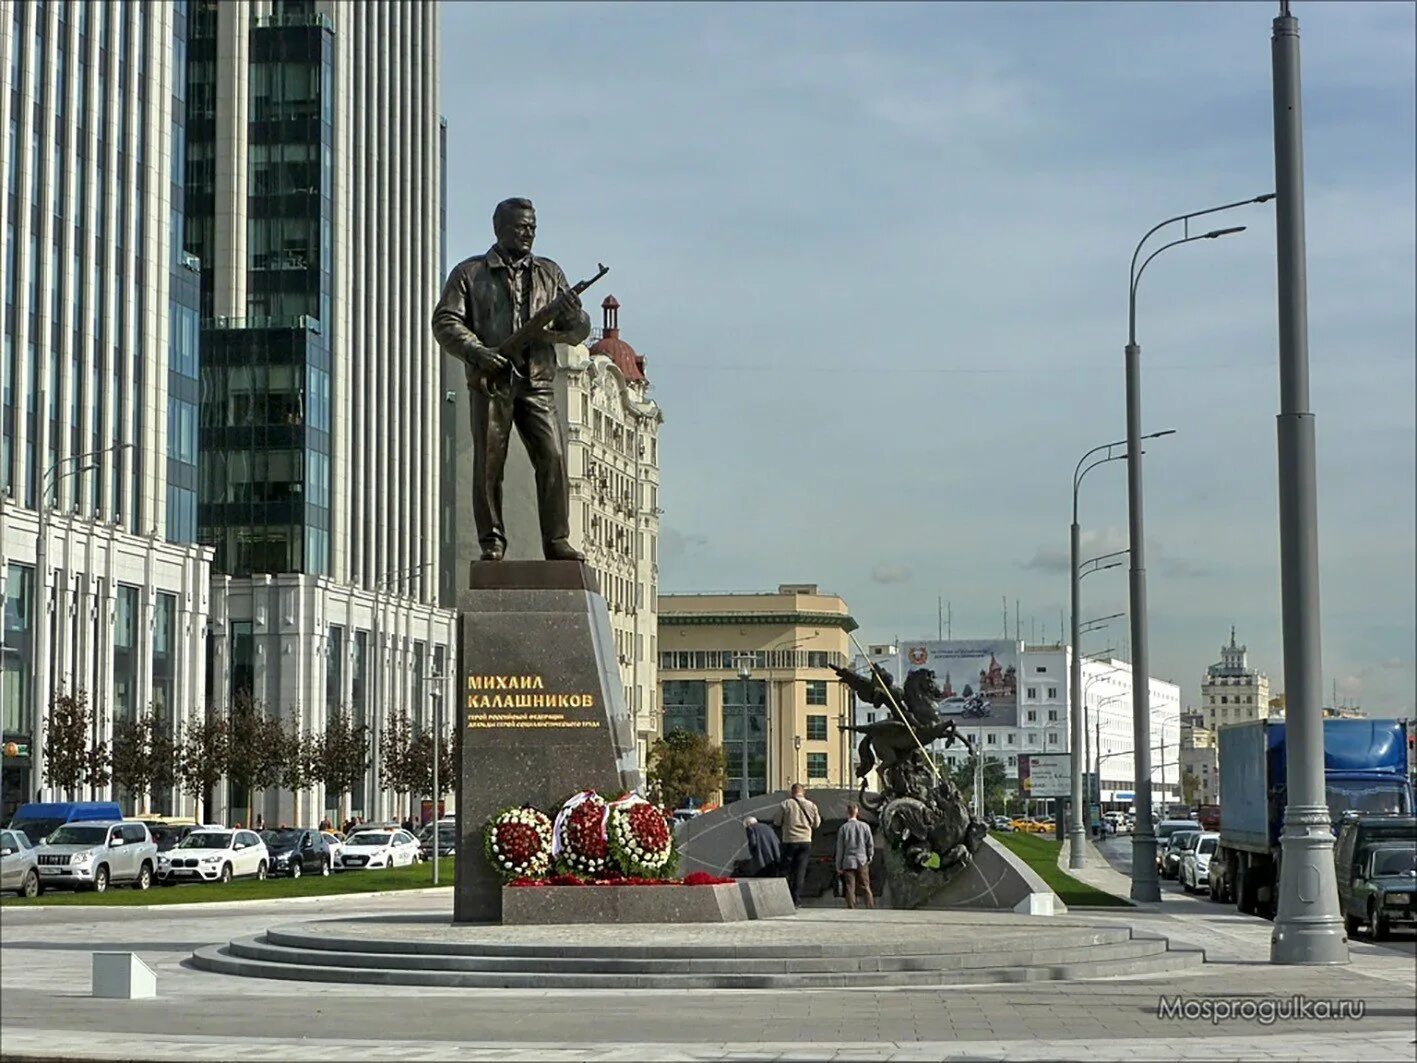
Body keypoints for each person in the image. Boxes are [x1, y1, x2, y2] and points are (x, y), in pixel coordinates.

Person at [431, 197, 592, 563]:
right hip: (493, 380)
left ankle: (557, 541)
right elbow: (445, 321)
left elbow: (575, 331)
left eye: (532, 227)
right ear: (499, 228)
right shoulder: (469, 273)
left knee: (552, 456)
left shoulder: (550, 273)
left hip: (536, 380)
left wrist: (575, 316)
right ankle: (492, 540)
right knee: (489, 463)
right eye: (521, 226)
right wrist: (478, 352)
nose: (528, 233)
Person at [774, 784, 821, 906]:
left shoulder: (785, 804)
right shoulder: (812, 805)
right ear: (803, 792)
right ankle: (796, 899)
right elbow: (816, 824)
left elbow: (777, 821)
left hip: (789, 840)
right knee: (800, 871)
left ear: (792, 792)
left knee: (786, 869)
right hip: (805, 841)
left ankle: (785, 898)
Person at [835, 803, 875, 910]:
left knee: (849, 886)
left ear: (847, 813)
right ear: (857, 812)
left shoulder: (843, 828)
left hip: (848, 861)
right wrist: (870, 856)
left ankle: (851, 907)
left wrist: (838, 865)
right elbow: (870, 844)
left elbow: (840, 849)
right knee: (866, 885)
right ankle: (869, 906)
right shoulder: (865, 826)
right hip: (862, 859)